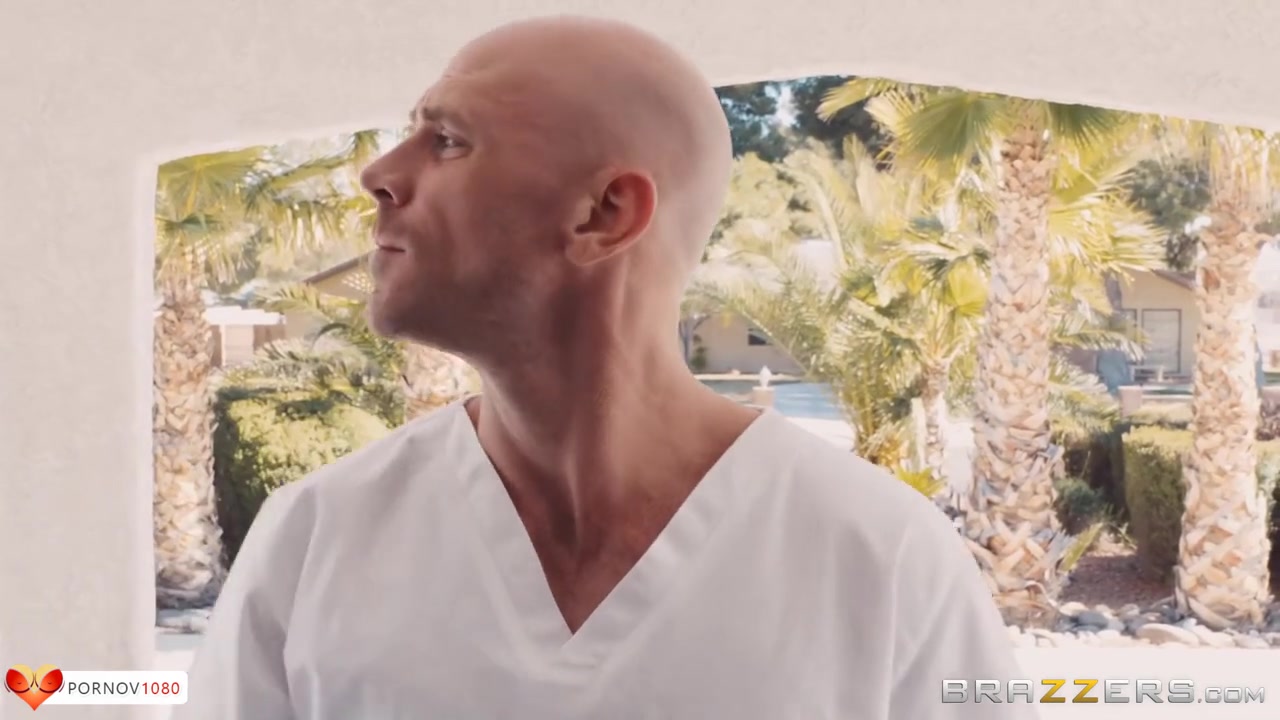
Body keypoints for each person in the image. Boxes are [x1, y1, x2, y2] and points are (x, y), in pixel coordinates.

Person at [176, 15, 1038, 720]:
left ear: (606, 213)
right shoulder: (313, 540)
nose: (378, 174)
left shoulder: (882, 559)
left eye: (446, 140)